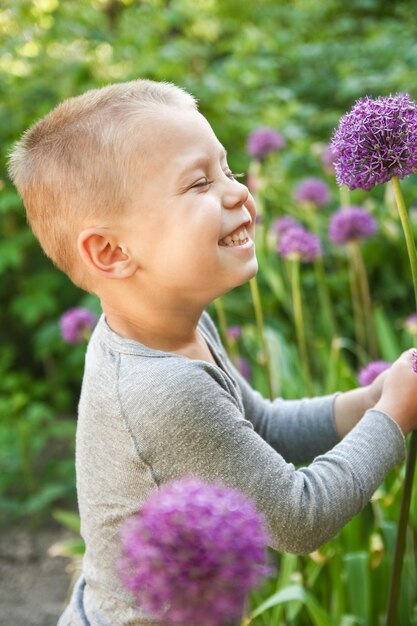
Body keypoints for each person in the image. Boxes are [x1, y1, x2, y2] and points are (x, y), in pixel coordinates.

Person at [8, 79, 417, 626]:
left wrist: (369, 398)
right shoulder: (163, 389)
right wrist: (394, 417)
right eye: (200, 182)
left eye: (228, 170)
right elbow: (301, 517)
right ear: (111, 251)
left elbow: (263, 425)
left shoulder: (171, 329)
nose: (237, 193)